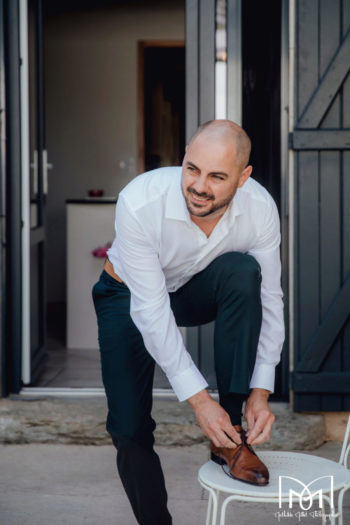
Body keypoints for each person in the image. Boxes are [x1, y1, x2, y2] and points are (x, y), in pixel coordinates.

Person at [92, 119, 284, 525]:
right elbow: (151, 310)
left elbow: (269, 300)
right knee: (127, 427)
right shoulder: (140, 202)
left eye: (217, 177)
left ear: (244, 177)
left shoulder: (261, 209)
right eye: (192, 169)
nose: (198, 186)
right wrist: (199, 402)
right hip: (128, 294)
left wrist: (261, 391)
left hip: (193, 289)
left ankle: (230, 440)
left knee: (243, 272)